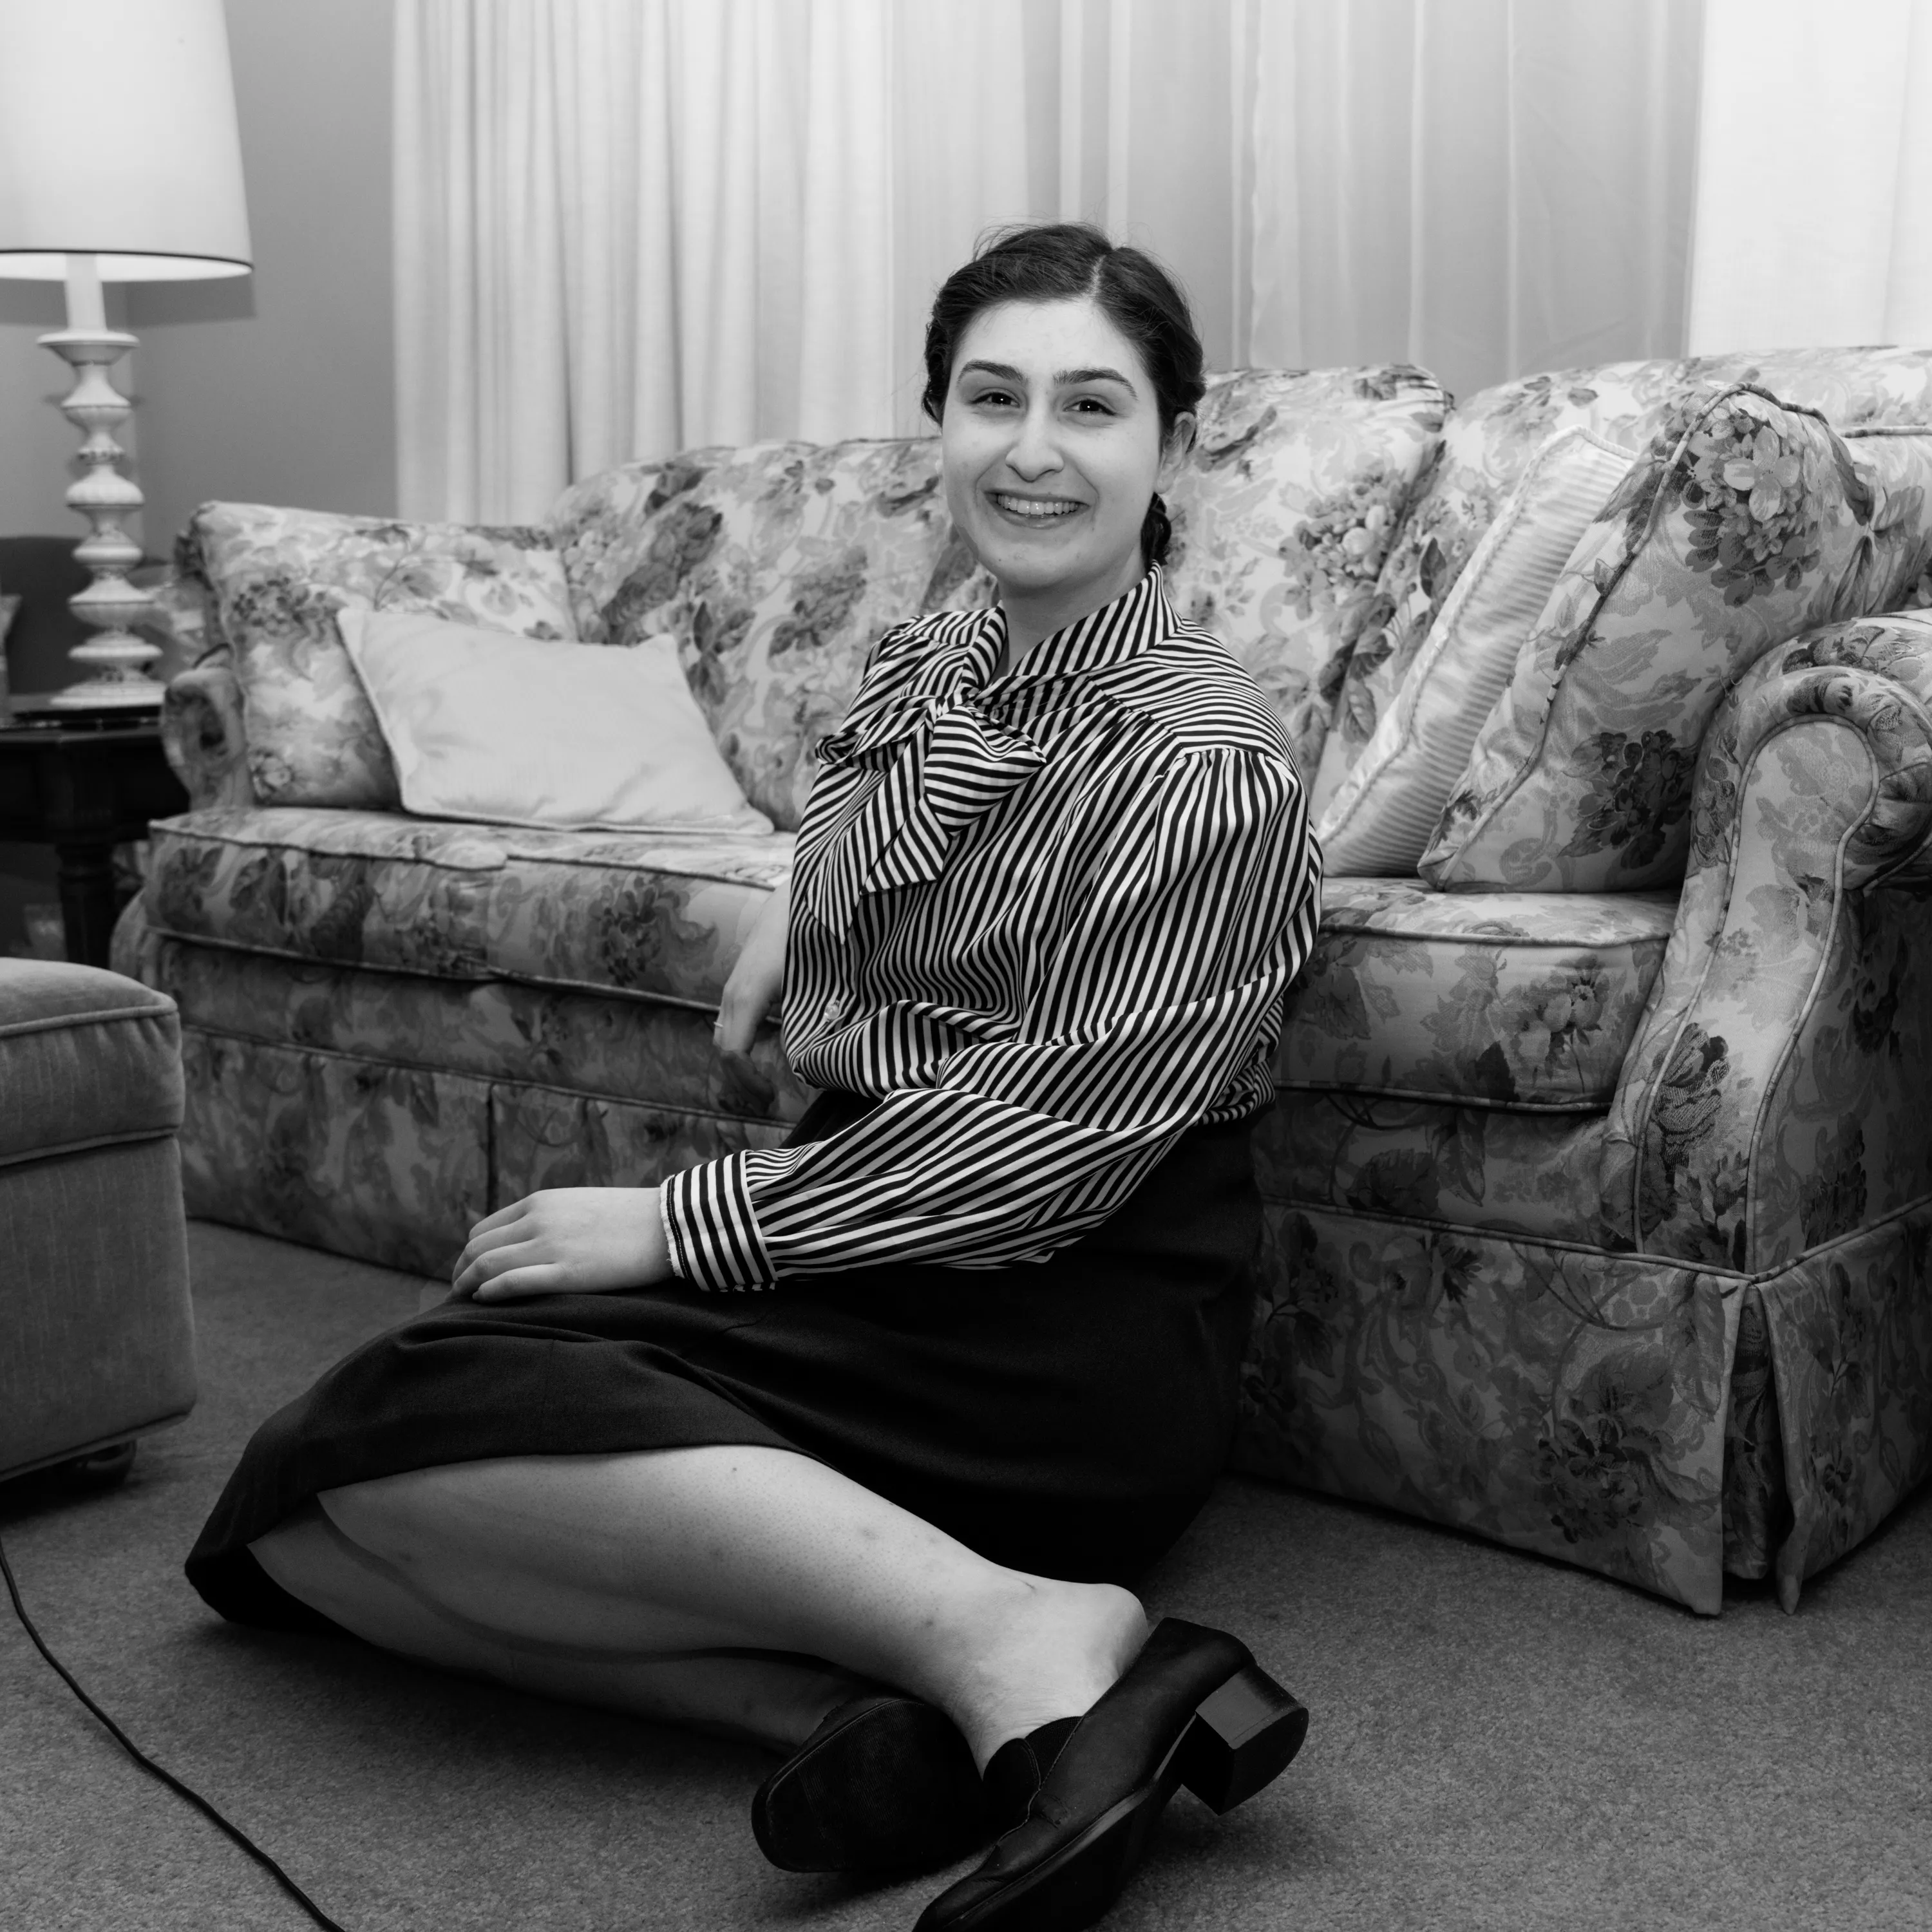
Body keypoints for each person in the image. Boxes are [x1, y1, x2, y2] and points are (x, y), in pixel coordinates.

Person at [184, 222, 1322, 1932]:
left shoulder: (1206, 764)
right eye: (989, 397)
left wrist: (678, 1226)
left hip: (1063, 1308)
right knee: (289, 1533)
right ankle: (866, 1717)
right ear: (933, 422)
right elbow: (887, 834)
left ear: (1172, 443)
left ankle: (1020, 1633)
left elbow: (1034, 1153)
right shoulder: (928, 663)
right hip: (860, 1238)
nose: (1033, 448)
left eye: (1091, 406)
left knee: (397, 1434)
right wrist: (809, 901)